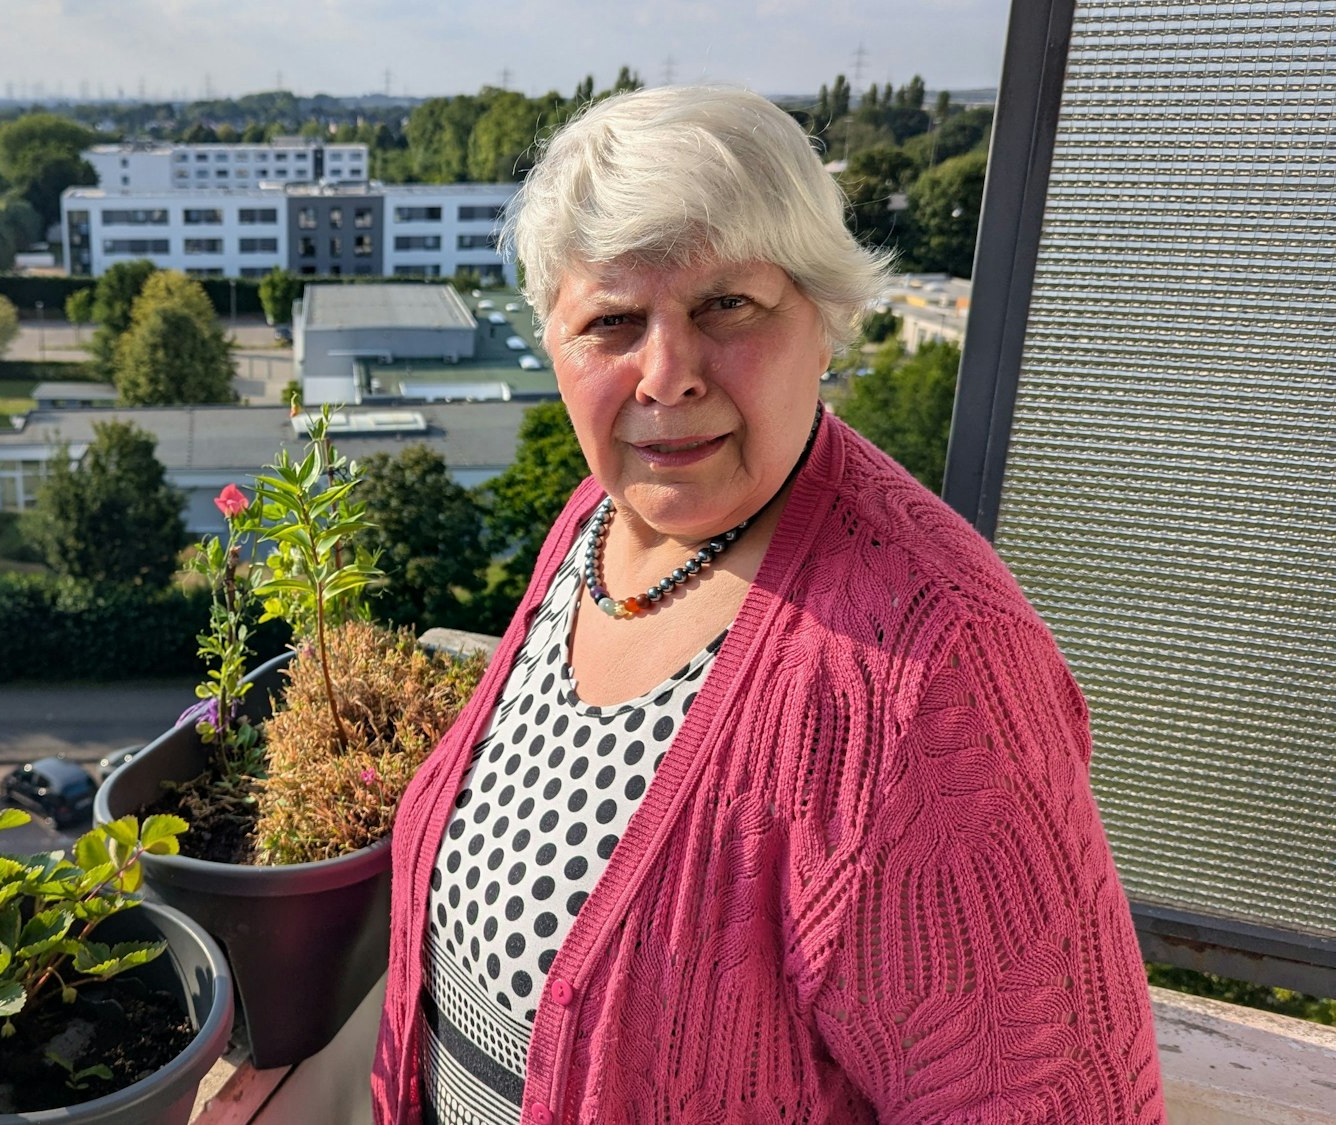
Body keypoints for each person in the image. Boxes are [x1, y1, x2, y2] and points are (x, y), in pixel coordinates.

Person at [371, 86, 1164, 1124]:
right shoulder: (601, 519)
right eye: (609, 321)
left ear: (823, 312)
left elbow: (1048, 1097)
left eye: (724, 306)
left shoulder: (934, 672)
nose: (664, 377)